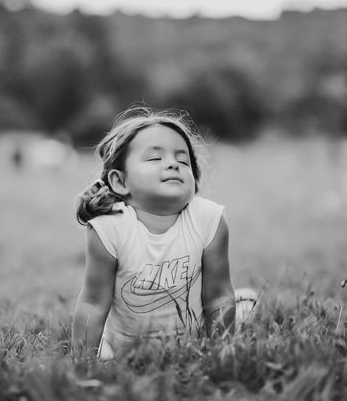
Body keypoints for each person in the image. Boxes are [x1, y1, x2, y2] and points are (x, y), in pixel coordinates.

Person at [71, 107, 239, 359]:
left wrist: (221, 353)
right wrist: (83, 363)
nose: (173, 164)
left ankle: (245, 305)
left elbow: (217, 297)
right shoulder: (110, 227)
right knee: (107, 357)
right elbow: (93, 304)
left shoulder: (209, 219)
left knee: (238, 305)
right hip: (123, 352)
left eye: (183, 160)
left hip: (191, 350)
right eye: (154, 158)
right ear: (120, 182)